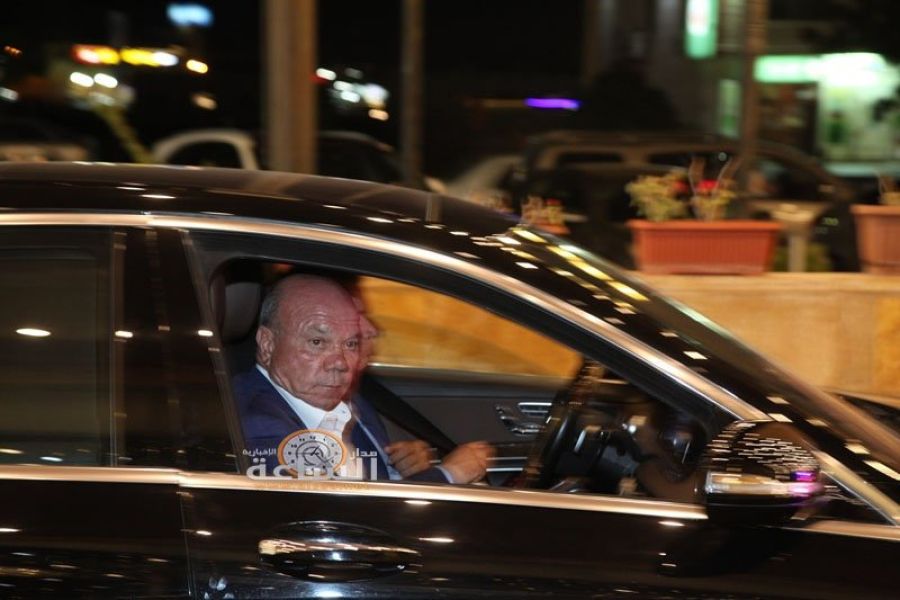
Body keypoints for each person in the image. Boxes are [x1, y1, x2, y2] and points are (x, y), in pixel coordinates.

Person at [233, 274, 493, 483]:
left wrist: (401, 470)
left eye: (350, 344)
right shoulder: (259, 427)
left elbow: (367, 482)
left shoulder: (343, 400)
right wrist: (448, 475)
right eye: (317, 342)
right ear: (267, 344)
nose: (340, 363)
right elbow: (337, 518)